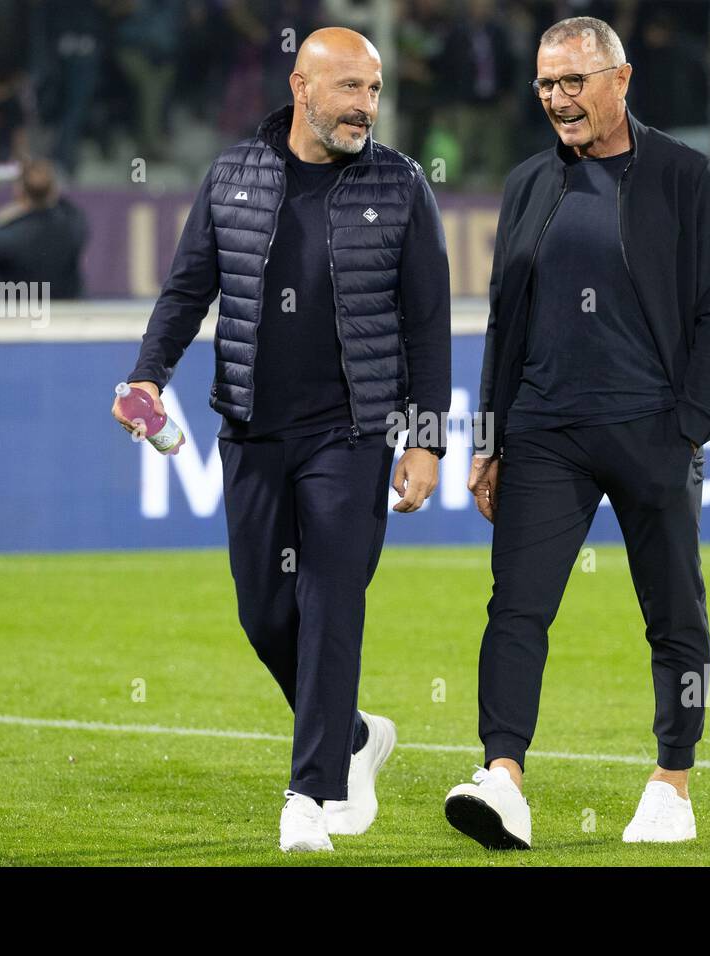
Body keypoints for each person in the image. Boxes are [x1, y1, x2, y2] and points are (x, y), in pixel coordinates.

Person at [112, 28, 451, 853]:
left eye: (374, 91)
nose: (366, 107)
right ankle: (357, 736)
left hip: (354, 432)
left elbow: (429, 322)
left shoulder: (402, 184)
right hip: (252, 429)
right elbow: (189, 286)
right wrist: (148, 375)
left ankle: (310, 796)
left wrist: (426, 439)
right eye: (350, 90)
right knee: (265, 614)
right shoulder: (235, 174)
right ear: (302, 87)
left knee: (332, 604)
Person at [443, 15, 710, 850]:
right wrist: (491, 437)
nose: (557, 99)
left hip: (651, 427)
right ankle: (502, 777)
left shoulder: (685, 176)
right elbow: (504, 322)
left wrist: (686, 428)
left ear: (620, 80)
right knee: (516, 607)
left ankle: (673, 783)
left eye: (573, 82)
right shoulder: (528, 185)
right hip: (544, 431)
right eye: (546, 83)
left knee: (674, 610)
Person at [0, 158, 88, 300]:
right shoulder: (71, 228)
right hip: (65, 318)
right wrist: (44, 182)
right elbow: (71, 211)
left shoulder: (10, 236)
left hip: (15, 319)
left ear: (19, 193)